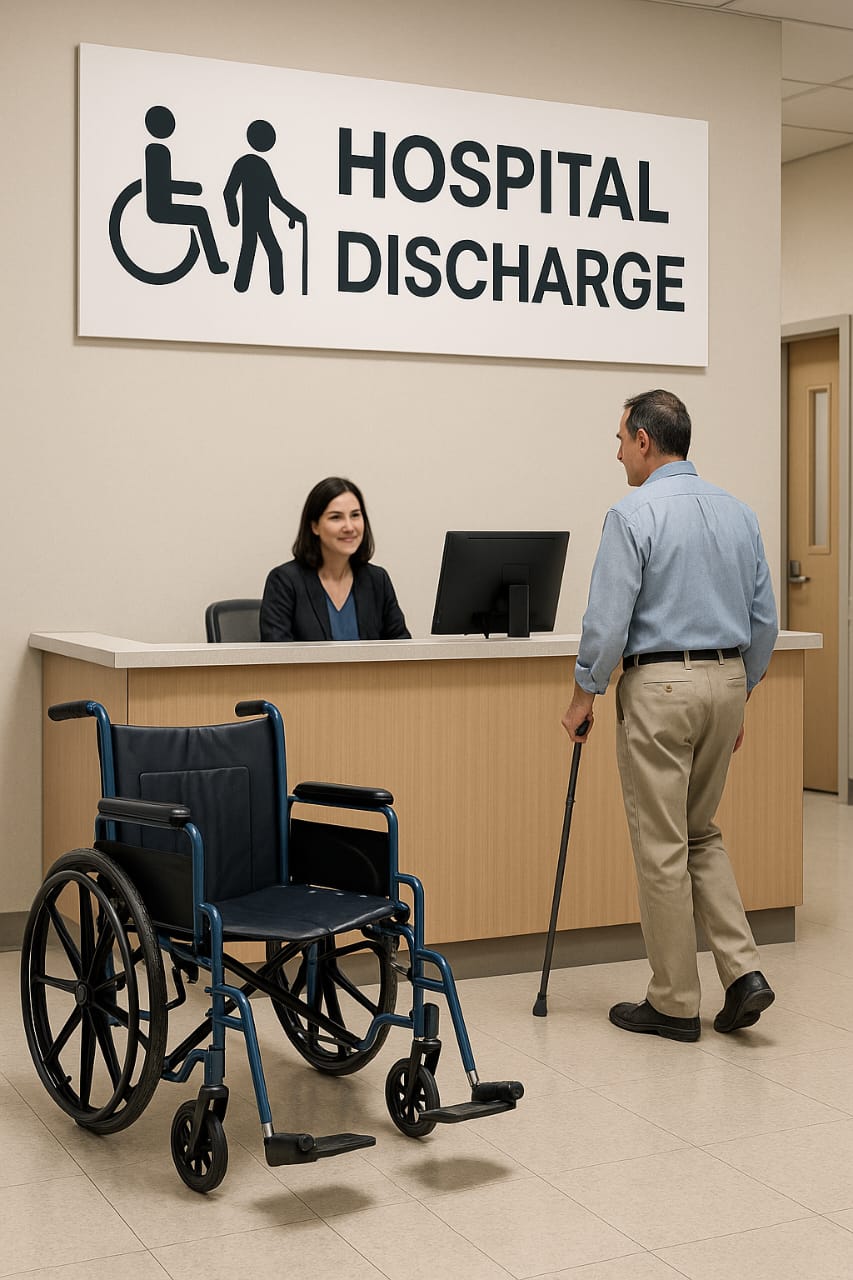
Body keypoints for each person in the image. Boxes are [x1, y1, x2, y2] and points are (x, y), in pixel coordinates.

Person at [561, 390, 779, 1043]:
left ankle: (674, 1001)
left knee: (661, 846)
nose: (616, 449)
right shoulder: (739, 514)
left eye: (620, 437)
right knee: (698, 832)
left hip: (658, 686)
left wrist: (583, 694)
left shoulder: (631, 514)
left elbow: (607, 621)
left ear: (644, 442)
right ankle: (742, 973)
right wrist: (742, 692)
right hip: (727, 680)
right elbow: (764, 618)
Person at [260, 477, 410, 642]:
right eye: (336, 517)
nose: (349, 527)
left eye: (355, 515)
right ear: (315, 526)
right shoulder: (284, 581)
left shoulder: (377, 580)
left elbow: (401, 649)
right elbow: (277, 659)